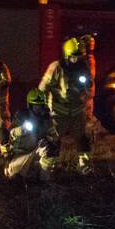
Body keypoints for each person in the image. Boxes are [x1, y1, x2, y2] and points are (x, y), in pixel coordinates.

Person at [39, 37, 94, 174]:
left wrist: (86, 85)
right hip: (59, 111)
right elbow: (43, 87)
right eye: (74, 57)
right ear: (67, 55)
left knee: (83, 138)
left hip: (77, 111)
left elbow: (89, 84)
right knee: (53, 139)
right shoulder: (56, 67)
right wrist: (42, 107)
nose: (77, 60)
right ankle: (47, 167)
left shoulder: (83, 67)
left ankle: (84, 166)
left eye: (79, 56)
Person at [4, 89, 59, 181]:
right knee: (14, 177)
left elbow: (54, 136)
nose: (38, 108)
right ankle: (16, 169)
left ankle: (43, 179)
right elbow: (11, 133)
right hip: (22, 153)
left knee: (50, 149)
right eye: (35, 105)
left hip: (37, 150)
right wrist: (21, 129)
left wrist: (49, 139)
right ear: (30, 105)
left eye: (40, 105)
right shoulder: (22, 116)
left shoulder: (46, 117)